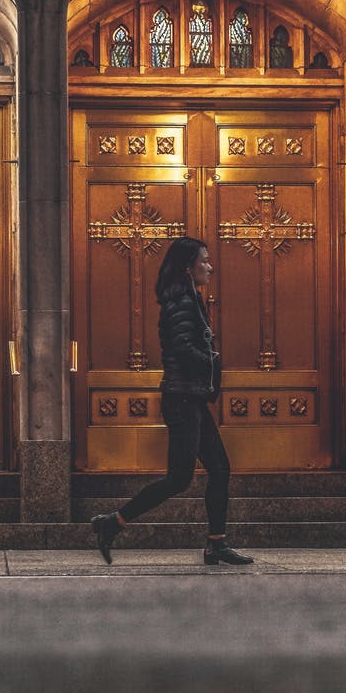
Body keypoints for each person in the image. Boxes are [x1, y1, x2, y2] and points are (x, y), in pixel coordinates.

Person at [91, 236, 254, 566]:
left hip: (190, 398)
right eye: (204, 261)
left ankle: (216, 544)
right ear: (188, 267)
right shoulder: (180, 302)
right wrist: (212, 359)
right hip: (181, 399)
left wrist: (209, 360)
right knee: (179, 478)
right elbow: (182, 350)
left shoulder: (191, 300)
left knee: (220, 468)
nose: (210, 266)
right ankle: (112, 523)